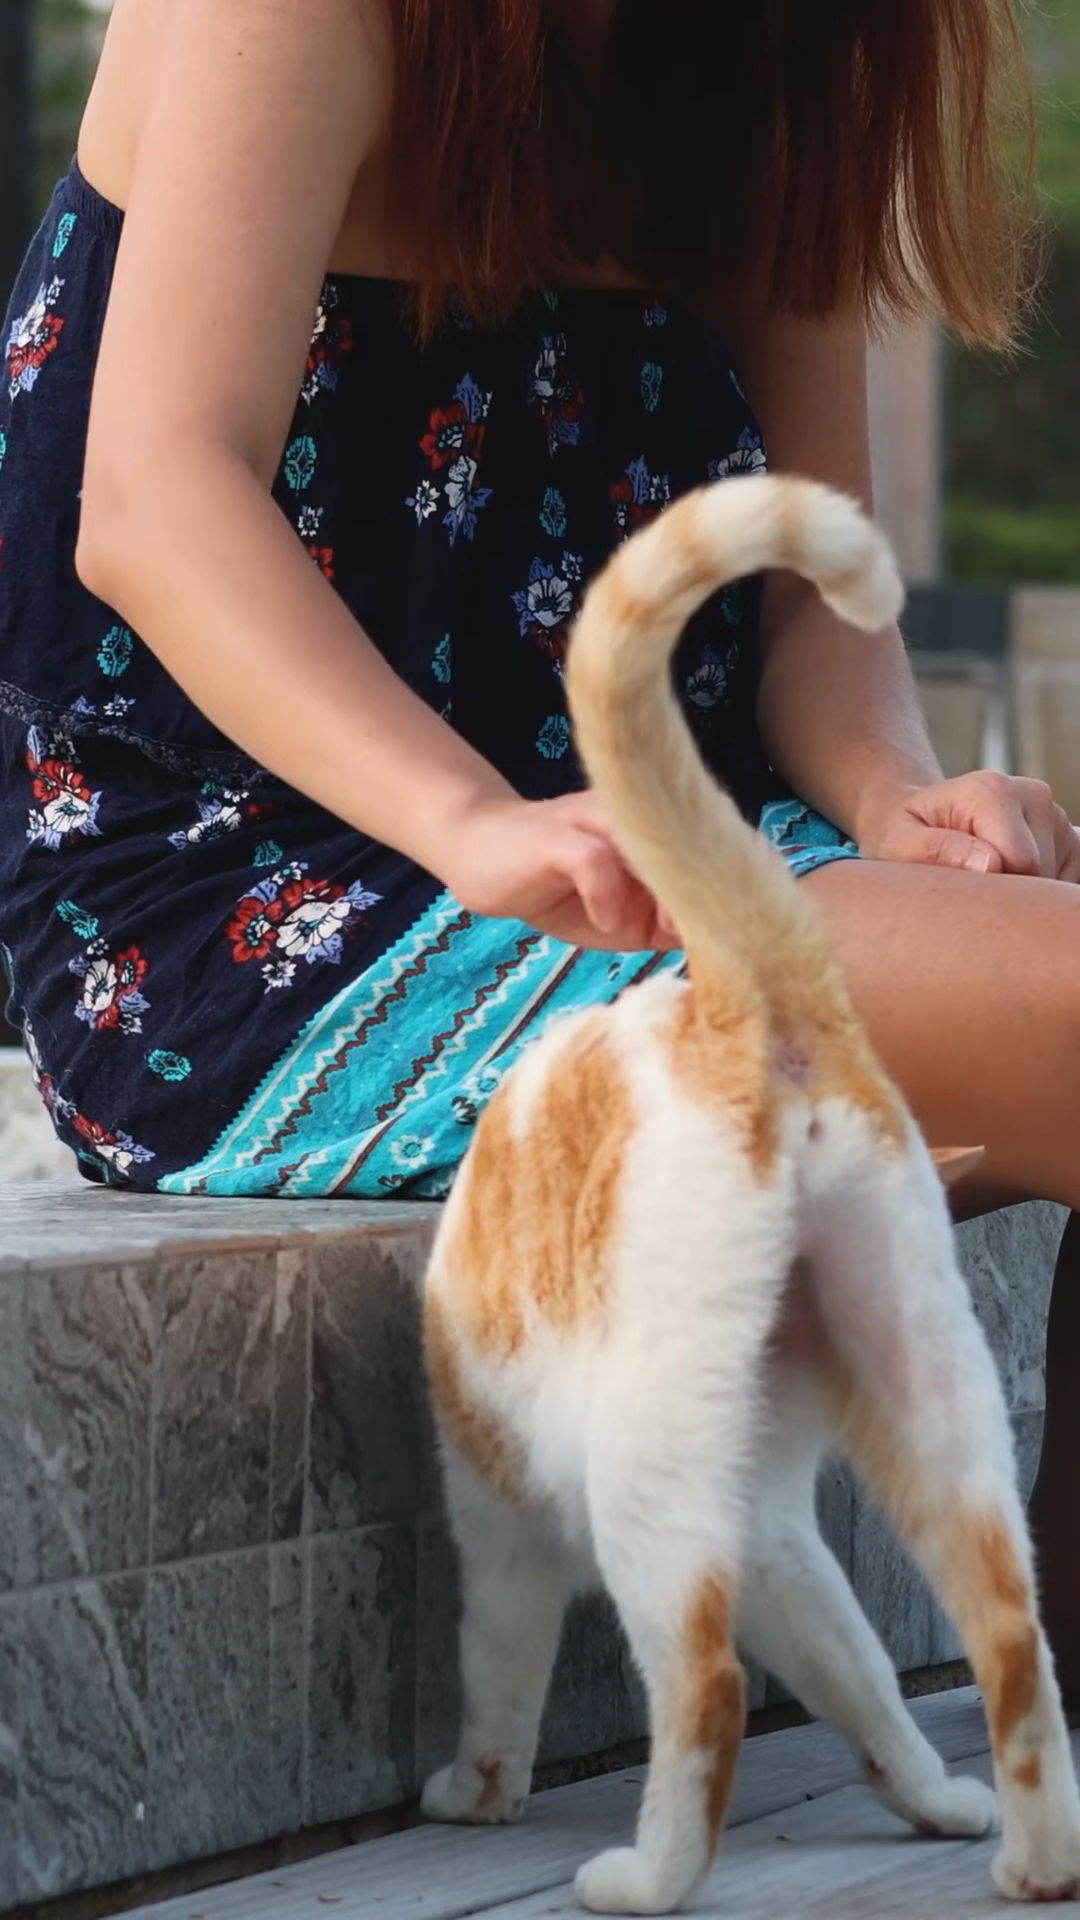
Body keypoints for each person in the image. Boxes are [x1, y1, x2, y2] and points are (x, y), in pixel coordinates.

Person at [1, 0, 1077, 1690]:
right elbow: (153, 500)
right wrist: (470, 824)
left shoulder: (789, 45)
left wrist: (895, 800)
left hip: (660, 842)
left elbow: (809, 594)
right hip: (265, 904)